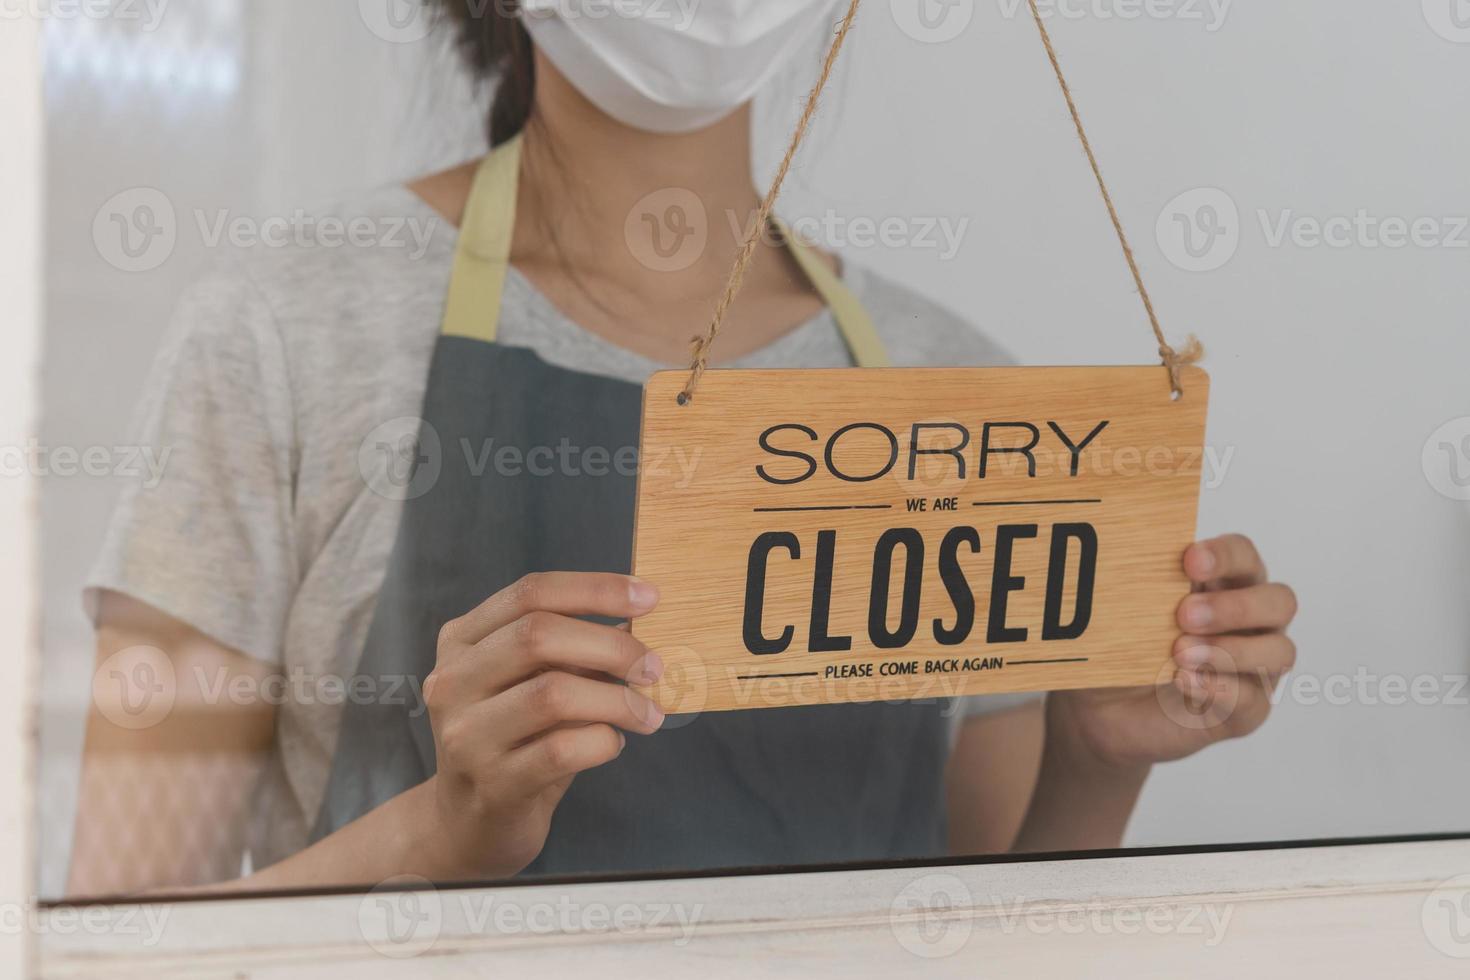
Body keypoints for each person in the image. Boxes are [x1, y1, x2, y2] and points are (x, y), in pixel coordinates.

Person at [68, 0, 1298, 895]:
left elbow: (991, 927)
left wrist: (1095, 762)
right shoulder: (279, 335)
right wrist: (437, 833)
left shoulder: (951, 386)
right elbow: (109, 942)